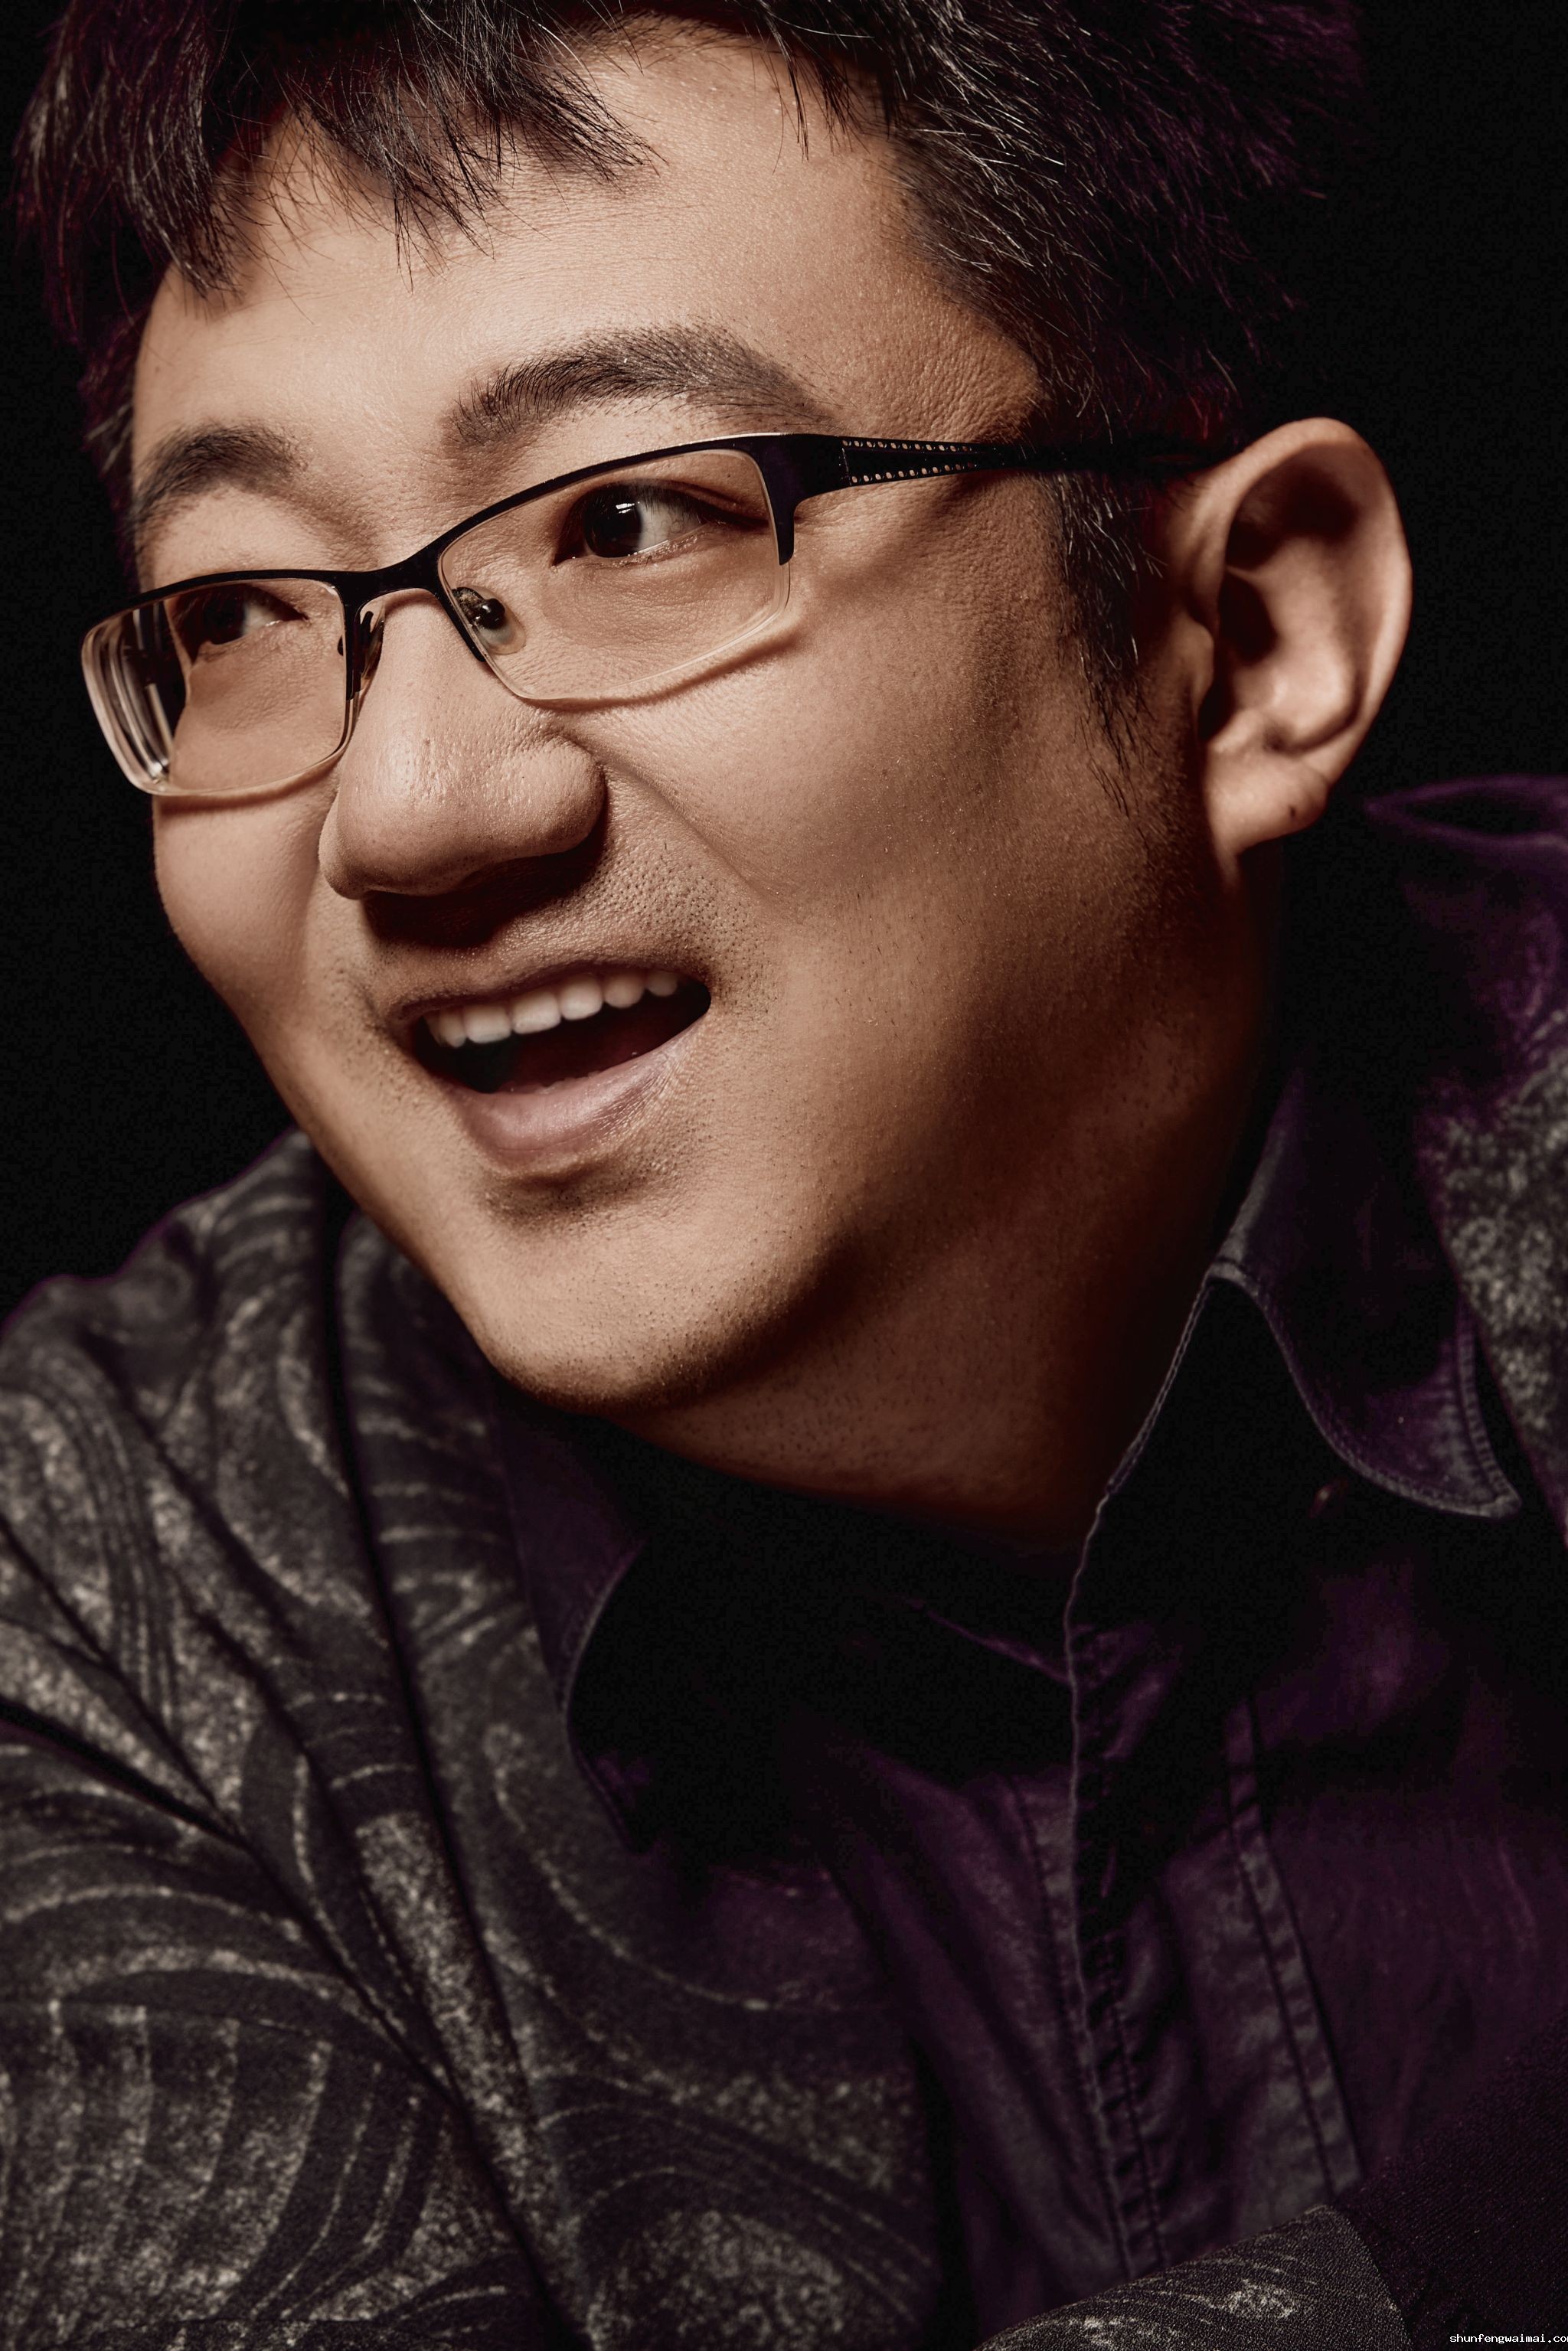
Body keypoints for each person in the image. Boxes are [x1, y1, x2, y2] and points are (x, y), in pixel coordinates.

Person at [3, 0, 1566, 2341]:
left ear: (1249, 636)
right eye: (237, 616)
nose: (407, 812)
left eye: (629, 519)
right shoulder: (104, 1597)